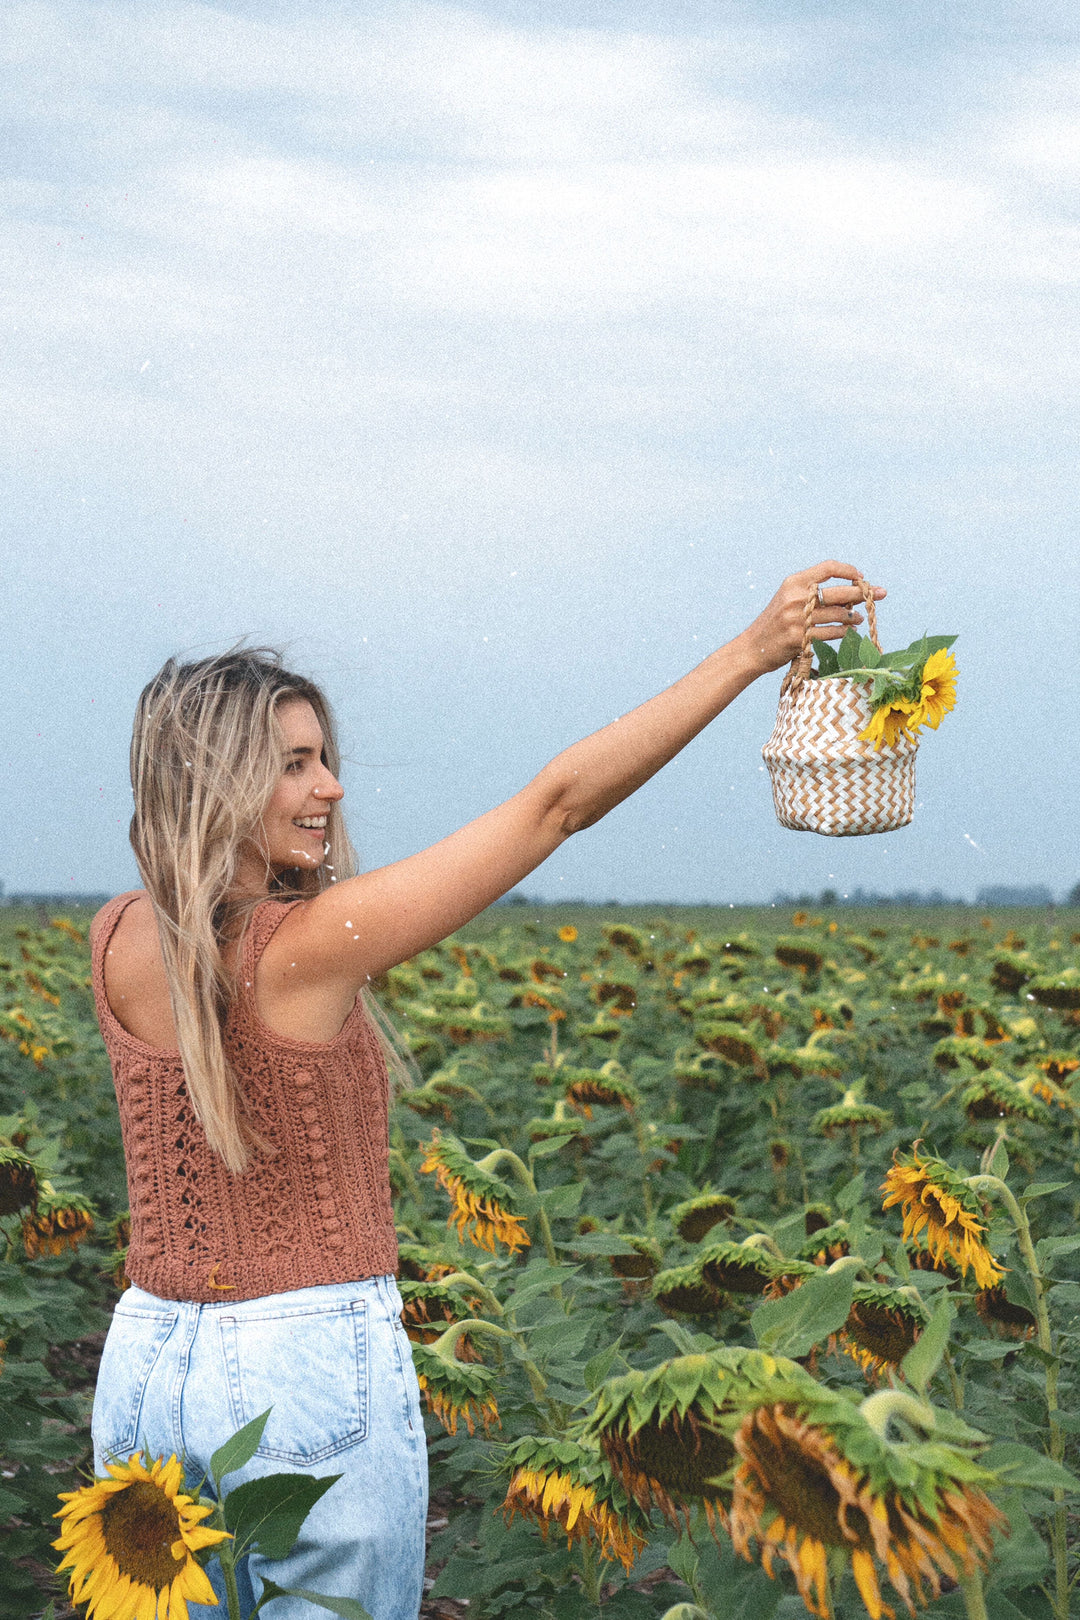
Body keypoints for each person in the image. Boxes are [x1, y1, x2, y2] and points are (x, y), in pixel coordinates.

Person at [89, 561, 883, 1620]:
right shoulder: (306, 949)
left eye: (326, 760)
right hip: (299, 1367)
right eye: (293, 765)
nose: (330, 788)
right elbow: (556, 808)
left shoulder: (118, 936)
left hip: (144, 1363)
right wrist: (748, 653)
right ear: (216, 782)